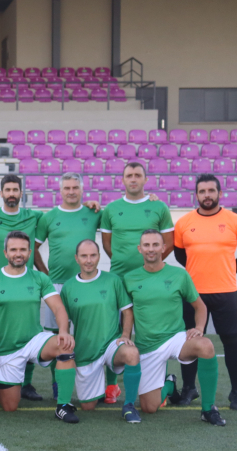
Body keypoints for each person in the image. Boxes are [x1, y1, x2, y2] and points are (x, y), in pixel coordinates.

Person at [0, 231, 79, 423]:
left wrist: (63, 331)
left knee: (65, 344)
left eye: (22, 250)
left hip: (34, 340)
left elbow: (58, 307)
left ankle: (62, 406)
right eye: (13, 250)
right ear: (5, 253)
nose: (18, 254)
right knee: (9, 407)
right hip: (7, 349)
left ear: (30, 253)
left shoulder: (40, 279)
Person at [173, 174, 237, 411]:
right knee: (191, 340)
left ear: (220, 193)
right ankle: (190, 388)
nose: (207, 195)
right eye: (202, 191)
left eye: (211, 190)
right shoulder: (184, 222)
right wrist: (195, 272)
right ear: (196, 195)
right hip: (194, 295)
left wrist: (229, 269)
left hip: (225, 293)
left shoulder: (234, 220)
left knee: (232, 342)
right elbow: (180, 255)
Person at [124, 230, 223, 425]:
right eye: (146, 245)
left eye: (155, 245)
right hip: (147, 346)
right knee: (149, 408)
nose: (151, 249)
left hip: (176, 338)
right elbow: (127, 313)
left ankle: (208, 409)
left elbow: (200, 306)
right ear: (139, 249)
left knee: (206, 346)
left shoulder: (179, 274)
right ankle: (169, 384)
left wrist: (199, 328)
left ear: (163, 248)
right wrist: (126, 335)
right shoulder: (130, 278)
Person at [33, 172, 112, 400]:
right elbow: (34, 248)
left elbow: (116, 218)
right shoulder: (49, 217)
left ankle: (109, 387)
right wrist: (45, 275)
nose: (71, 191)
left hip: (88, 284)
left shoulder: (93, 212)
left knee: (95, 334)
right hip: (56, 285)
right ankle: (58, 383)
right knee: (57, 334)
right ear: (60, 190)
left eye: (75, 188)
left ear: (81, 190)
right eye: (66, 188)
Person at [60, 239, 142, 422]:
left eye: (93, 255)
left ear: (99, 257)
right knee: (88, 407)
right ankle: (101, 387)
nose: (89, 260)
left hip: (112, 344)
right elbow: (63, 319)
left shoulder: (113, 280)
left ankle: (129, 405)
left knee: (131, 353)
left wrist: (125, 336)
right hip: (85, 351)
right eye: (84, 256)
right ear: (76, 258)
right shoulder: (68, 287)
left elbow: (127, 311)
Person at [99, 162, 174, 278]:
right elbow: (106, 244)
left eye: (138, 176)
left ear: (146, 180)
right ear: (123, 180)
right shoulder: (110, 209)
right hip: (119, 276)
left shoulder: (159, 207)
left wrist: (152, 262)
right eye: (129, 176)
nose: (133, 180)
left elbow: (169, 244)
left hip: (150, 276)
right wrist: (121, 260)